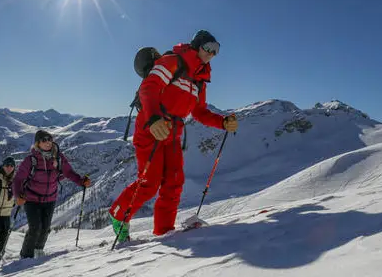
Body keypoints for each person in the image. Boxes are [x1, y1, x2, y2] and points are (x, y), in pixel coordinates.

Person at [109, 29, 238, 241]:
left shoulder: (199, 81)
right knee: (149, 182)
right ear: (197, 45)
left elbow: (199, 112)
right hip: (151, 127)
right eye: (208, 48)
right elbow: (149, 88)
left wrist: (222, 122)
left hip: (173, 132)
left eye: (216, 50)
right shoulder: (172, 61)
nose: (211, 54)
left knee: (174, 182)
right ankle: (118, 214)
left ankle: (164, 232)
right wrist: (153, 120)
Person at [12, 130, 91, 259]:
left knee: (45, 228)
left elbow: (69, 172)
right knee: (35, 227)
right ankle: (25, 256)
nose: (48, 142)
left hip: (50, 198)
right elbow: (18, 179)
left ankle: (38, 251)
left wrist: (81, 181)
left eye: (50, 139)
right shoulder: (31, 160)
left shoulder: (58, 158)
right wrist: (18, 195)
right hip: (31, 199)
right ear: (37, 143)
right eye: (44, 140)